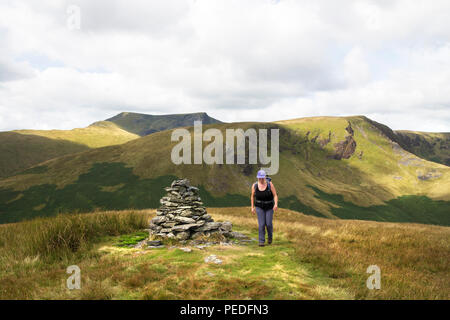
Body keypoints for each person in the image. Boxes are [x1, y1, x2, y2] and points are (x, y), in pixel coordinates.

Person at [251, 169, 278, 247]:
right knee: (261, 224)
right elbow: (252, 196)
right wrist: (252, 207)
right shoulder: (255, 185)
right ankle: (261, 241)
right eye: (259, 178)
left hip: (269, 206)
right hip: (259, 207)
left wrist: (275, 204)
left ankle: (270, 238)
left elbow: (275, 195)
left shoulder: (270, 184)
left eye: (262, 178)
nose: (261, 179)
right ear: (257, 178)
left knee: (269, 224)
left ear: (265, 177)